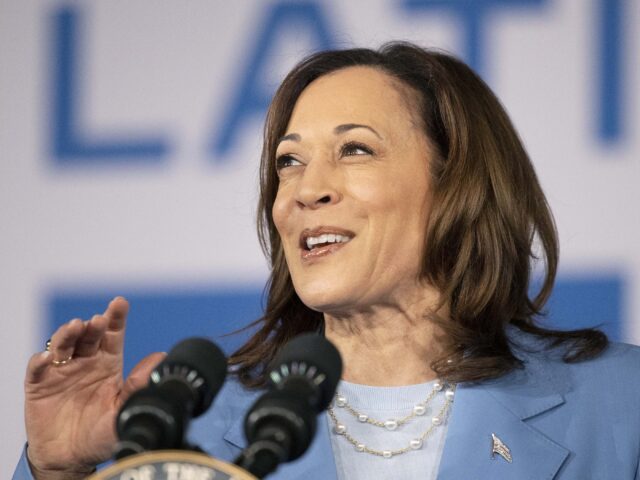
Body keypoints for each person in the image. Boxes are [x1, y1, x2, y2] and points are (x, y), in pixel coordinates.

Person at [13, 42, 640, 480]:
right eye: (289, 161)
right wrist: (59, 471)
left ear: (458, 183)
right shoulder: (192, 432)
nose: (306, 190)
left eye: (356, 150)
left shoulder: (617, 403)